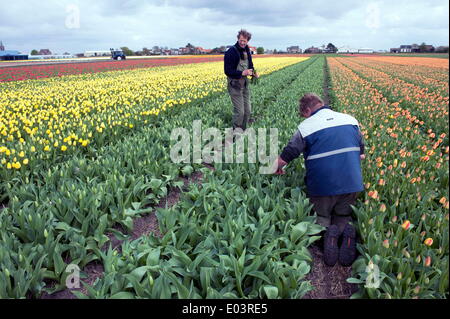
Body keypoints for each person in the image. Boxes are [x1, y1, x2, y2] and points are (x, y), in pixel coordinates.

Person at [273, 93, 365, 267]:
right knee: (343, 213)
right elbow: (361, 153)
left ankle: (326, 238)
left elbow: (289, 152)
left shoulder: (306, 126)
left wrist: (274, 167)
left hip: (323, 185)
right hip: (352, 182)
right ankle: (345, 233)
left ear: (307, 110)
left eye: (303, 114)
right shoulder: (350, 120)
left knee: (322, 215)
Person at [224, 29, 259, 131]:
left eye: (245, 41)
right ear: (238, 39)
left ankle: (243, 130)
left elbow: (250, 65)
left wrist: (253, 73)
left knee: (248, 111)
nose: (243, 42)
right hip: (234, 85)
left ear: (248, 41)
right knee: (240, 112)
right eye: (241, 40)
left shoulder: (247, 50)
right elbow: (227, 71)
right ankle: (236, 132)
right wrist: (241, 73)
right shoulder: (231, 52)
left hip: (244, 84)